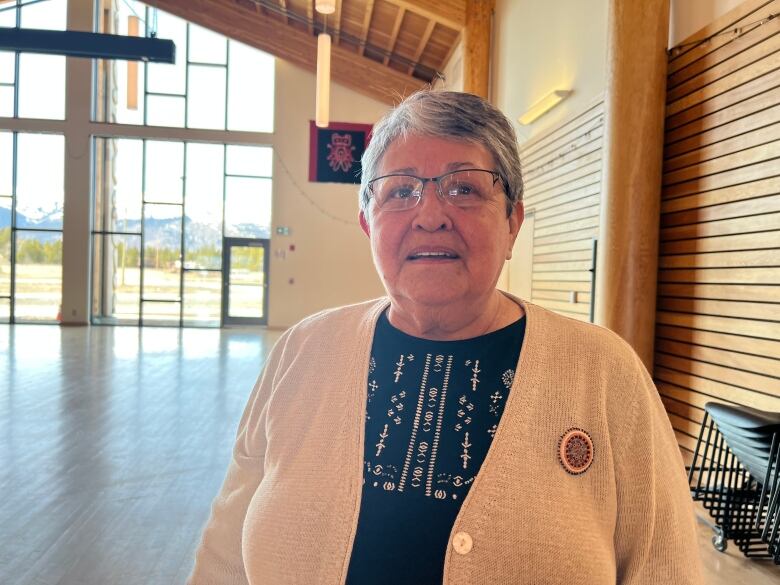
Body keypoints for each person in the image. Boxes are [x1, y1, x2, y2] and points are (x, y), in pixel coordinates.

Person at [188, 90, 703, 584]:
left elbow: (665, 569)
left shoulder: (603, 370)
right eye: (401, 190)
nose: (430, 215)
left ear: (512, 222)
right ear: (368, 222)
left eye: (464, 187)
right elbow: (223, 559)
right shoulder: (303, 352)